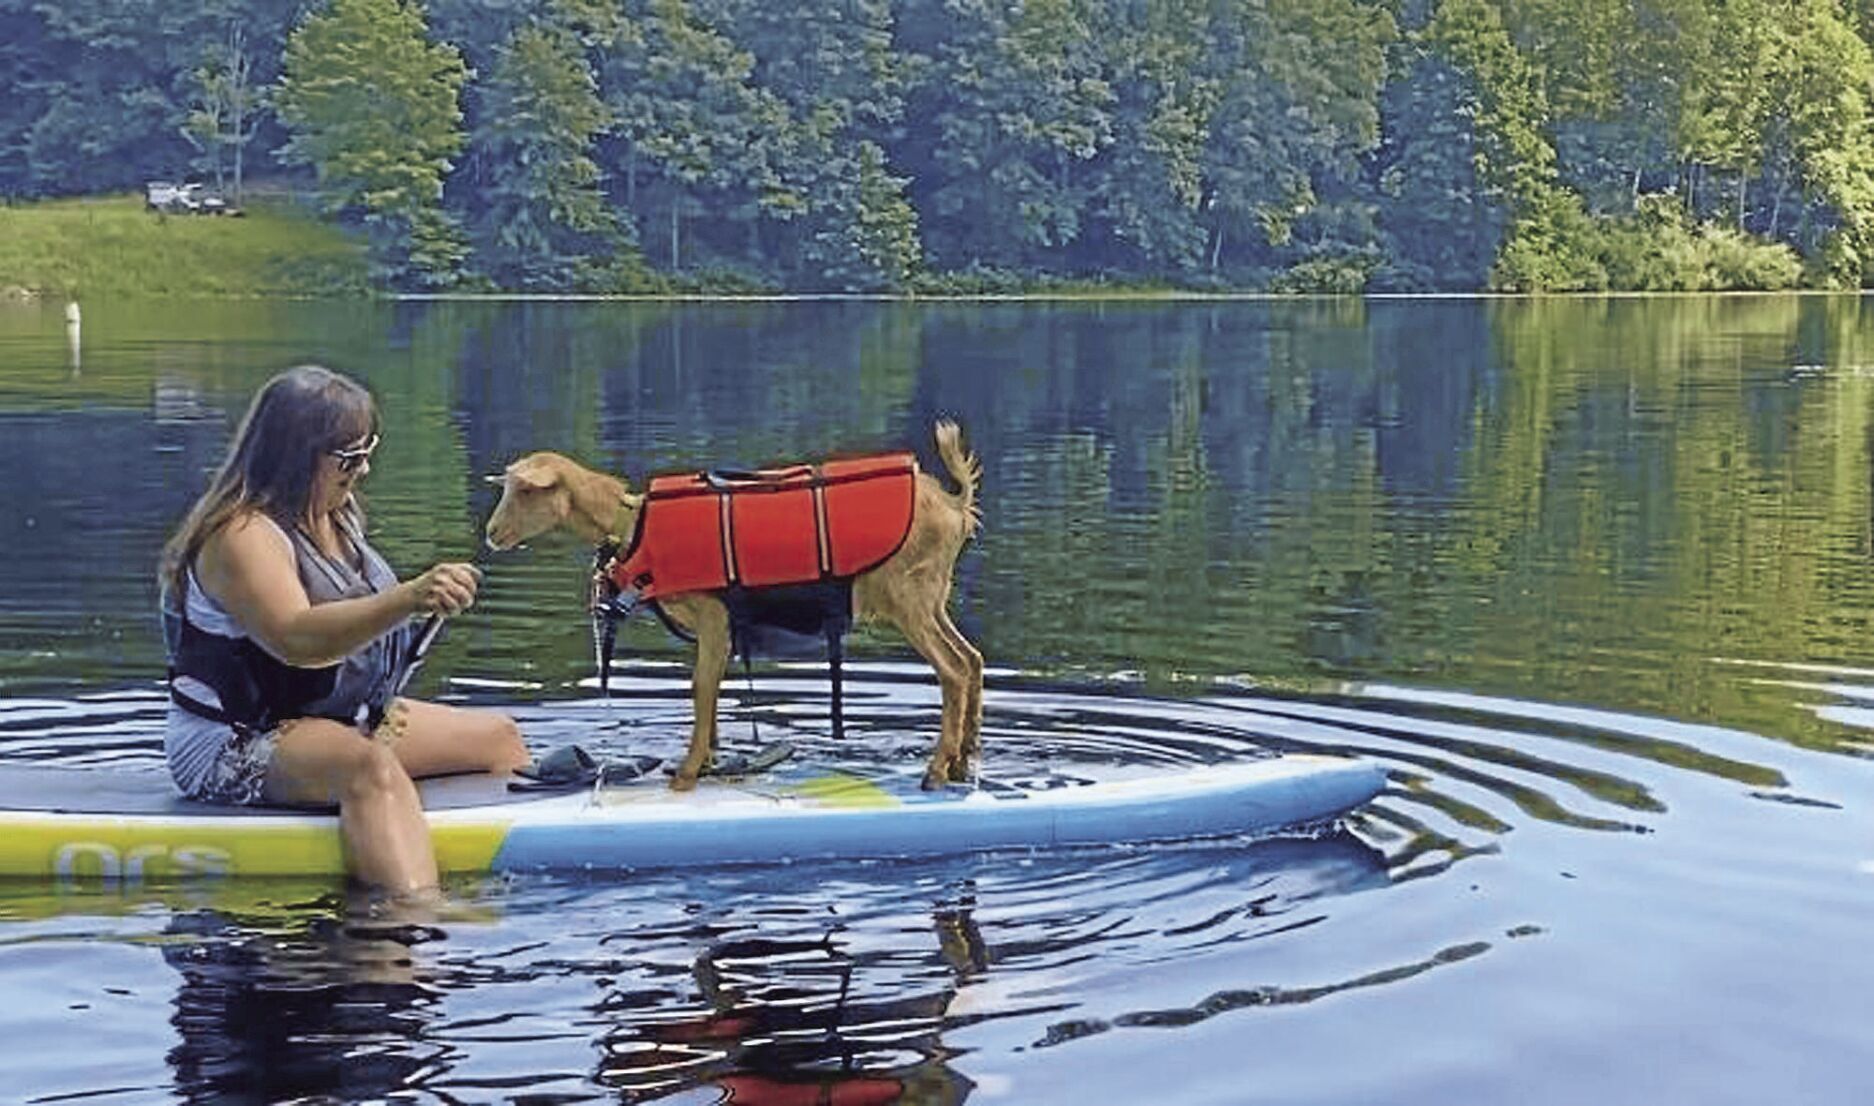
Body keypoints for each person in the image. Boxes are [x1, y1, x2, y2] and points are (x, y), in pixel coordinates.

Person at [160, 364, 529, 894]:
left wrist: (422, 603)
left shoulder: (336, 513)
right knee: (368, 768)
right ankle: (409, 921)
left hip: (335, 716)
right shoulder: (241, 535)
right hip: (238, 737)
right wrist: (409, 597)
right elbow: (297, 640)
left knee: (499, 739)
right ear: (295, 456)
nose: (363, 470)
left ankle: (444, 854)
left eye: (367, 451)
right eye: (349, 458)